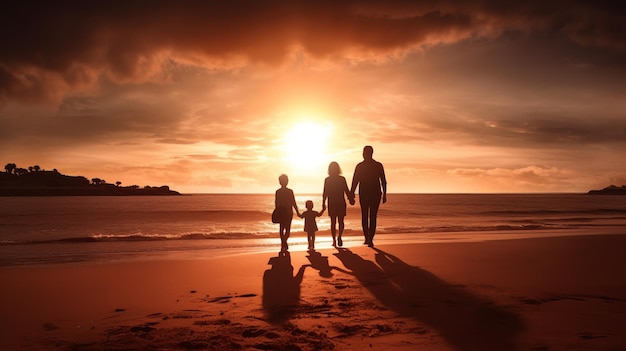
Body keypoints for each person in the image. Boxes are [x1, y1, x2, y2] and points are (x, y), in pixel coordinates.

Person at [350, 145, 387, 247]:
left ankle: (368, 238)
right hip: (374, 193)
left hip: (366, 193)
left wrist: (351, 194)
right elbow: (383, 181)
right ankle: (369, 239)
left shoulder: (361, 166)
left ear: (364, 154)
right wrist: (384, 194)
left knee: (366, 216)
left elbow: (355, 181)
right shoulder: (377, 165)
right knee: (372, 216)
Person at [322, 161, 354, 247]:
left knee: (333, 222)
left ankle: (334, 240)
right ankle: (339, 236)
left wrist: (323, 203)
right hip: (340, 202)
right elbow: (346, 190)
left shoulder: (328, 180)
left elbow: (325, 192)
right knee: (340, 221)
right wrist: (351, 199)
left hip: (332, 202)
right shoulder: (341, 179)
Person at [275, 174, 300, 251]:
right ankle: (284, 242)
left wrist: (297, 212)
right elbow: (293, 202)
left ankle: (283, 242)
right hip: (287, 212)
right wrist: (297, 212)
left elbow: (277, 203)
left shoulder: (279, 192)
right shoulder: (288, 191)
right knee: (286, 229)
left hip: (285, 212)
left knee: (282, 229)